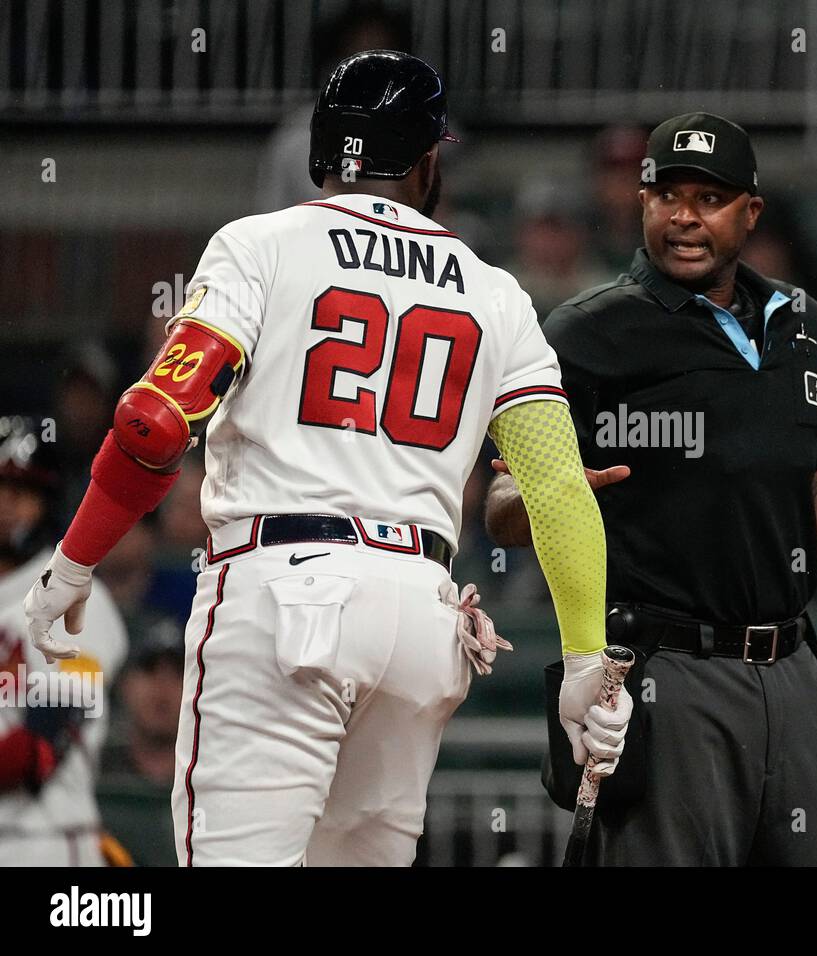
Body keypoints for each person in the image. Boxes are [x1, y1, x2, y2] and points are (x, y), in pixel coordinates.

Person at [22, 50, 631, 867]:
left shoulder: (261, 244)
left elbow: (154, 423)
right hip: (424, 619)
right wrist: (586, 659)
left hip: (281, 597)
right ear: (426, 161)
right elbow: (558, 488)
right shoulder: (495, 291)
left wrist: (74, 559)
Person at [485, 112, 817, 866]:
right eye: (667, 195)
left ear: (750, 212)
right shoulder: (588, 332)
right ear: (642, 203)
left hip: (794, 665)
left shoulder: (803, 325)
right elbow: (499, 507)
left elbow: (805, 490)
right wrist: (552, 491)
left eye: (709, 198)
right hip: (668, 672)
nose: (685, 217)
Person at [0, 416, 127, 865]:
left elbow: (39, 750)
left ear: (49, 502)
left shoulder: (75, 595)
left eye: (22, 492)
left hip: (44, 841)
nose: (6, 505)